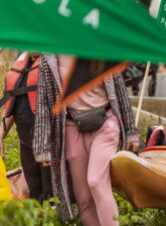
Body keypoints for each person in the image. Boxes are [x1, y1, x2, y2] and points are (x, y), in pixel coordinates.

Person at [33, 55, 140, 224]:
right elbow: (43, 102)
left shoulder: (97, 46)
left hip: (105, 124)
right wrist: (41, 145)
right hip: (72, 127)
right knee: (83, 199)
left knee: (96, 181)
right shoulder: (49, 57)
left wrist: (131, 131)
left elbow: (119, 90)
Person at [0, 52, 52, 202]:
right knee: (35, 196)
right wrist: (1, 135)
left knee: (52, 197)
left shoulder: (54, 65)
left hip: (49, 146)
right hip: (26, 144)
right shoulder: (21, 66)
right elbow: (10, 106)